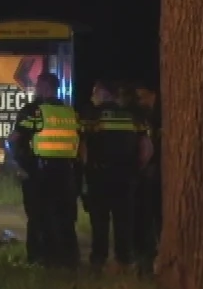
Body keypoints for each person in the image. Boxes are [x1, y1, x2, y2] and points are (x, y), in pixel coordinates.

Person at [11, 73, 80, 267]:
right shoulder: (69, 112)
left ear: (45, 87)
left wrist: (19, 164)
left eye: (38, 86)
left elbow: (15, 139)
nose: (35, 89)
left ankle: (39, 259)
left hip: (38, 173)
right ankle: (68, 260)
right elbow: (81, 145)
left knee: (37, 217)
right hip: (66, 172)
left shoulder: (34, 111)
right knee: (65, 217)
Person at [81, 81, 152, 269]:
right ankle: (124, 258)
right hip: (126, 175)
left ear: (104, 94)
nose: (92, 98)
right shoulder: (133, 116)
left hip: (99, 175)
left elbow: (84, 147)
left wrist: (85, 170)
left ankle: (99, 259)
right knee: (124, 220)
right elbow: (146, 148)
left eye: (94, 93)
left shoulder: (92, 115)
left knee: (99, 220)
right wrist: (137, 168)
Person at [129, 84, 161, 270]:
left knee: (148, 216)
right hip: (147, 173)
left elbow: (148, 147)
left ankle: (147, 255)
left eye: (142, 97)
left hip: (150, 173)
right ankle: (145, 256)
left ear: (152, 95)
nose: (140, 101)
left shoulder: (152, 117)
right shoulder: (146, 116)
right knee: (143, 216)